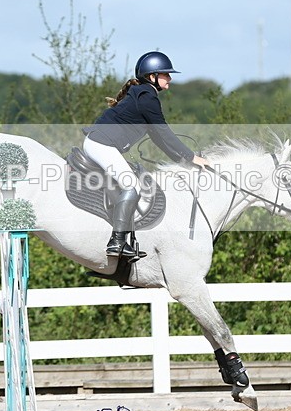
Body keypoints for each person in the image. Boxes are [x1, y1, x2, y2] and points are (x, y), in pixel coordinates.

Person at [83, 51, 210, 257]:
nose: (170, 78)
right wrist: (191, 157)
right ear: (152, 76)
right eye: (166, 74)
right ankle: (117, 242)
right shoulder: (147, 96)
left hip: (100, 142)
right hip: (101, 144)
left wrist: (181, 161)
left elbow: (159, 138)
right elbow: (164, 133)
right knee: (132, 185)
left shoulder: (143, 94)